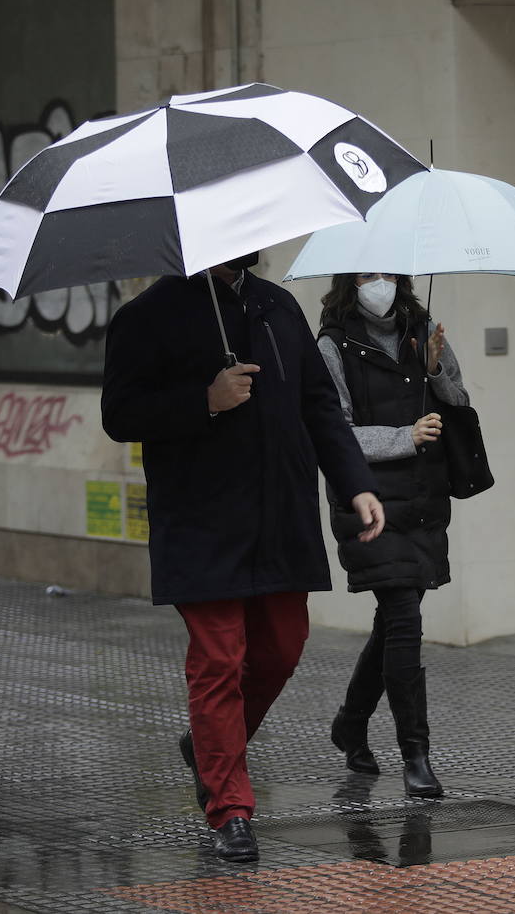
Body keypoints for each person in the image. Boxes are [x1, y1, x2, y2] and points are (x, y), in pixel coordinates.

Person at [101, 252, 385, 863]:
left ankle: (208, 749)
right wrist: (204, 400)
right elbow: (119, 414)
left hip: (280, 518)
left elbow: (318, 406)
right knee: (219, 661)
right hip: (201, 522)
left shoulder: (277, 306)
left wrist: (356, 482)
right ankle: (230, 808)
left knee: (282, 649)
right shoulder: (147, 315)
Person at [316, 272, 469, 798]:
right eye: (365, 275)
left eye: (384, 271)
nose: (376, 282)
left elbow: (457, 399)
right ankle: (417, 755)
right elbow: (331, 430)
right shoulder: (332, 344)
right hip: (368, 501)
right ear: (348, 281)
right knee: (404, 618)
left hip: (424, 500)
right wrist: (404, 437)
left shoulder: (420, 327)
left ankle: (350, 723)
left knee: (393, 621)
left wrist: (436, 369)